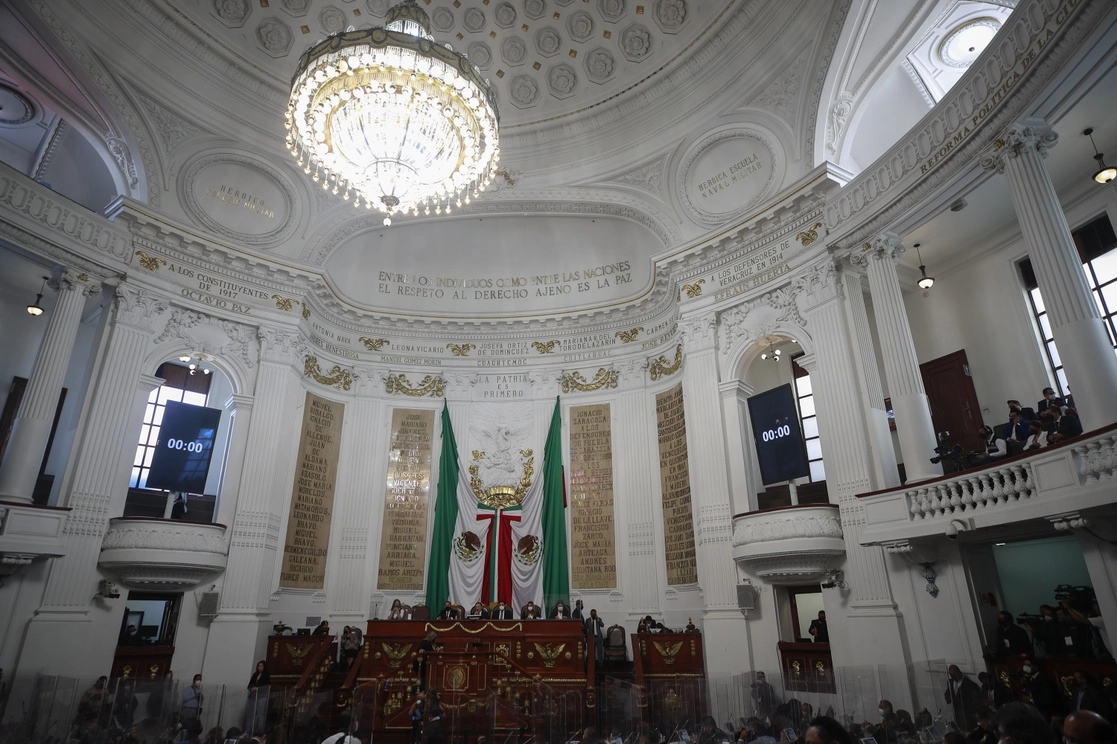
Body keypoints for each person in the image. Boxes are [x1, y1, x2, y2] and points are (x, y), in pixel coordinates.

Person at [945, 665, 983, 731]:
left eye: (954, 675)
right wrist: (947, 696)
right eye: (950, 675)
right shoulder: (950, 682)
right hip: (956, 714)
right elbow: (948, 692)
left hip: (967, 715)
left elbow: (975, 701)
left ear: (958, 672)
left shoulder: (970, 684)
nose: (952, 677)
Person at [245, 661, 270, 735]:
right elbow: (249, 686)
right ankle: (248, 730)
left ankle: (259, 731)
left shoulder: (266, 675)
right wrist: (252, 688)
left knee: (260, 714)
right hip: (253, 696)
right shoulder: (255, 675)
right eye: (258, 666)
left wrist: (258, 688)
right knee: (250, 714)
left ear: (264, 667)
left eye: (261, 666)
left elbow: (266, 686)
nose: (259, 667)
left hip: (261, 696)